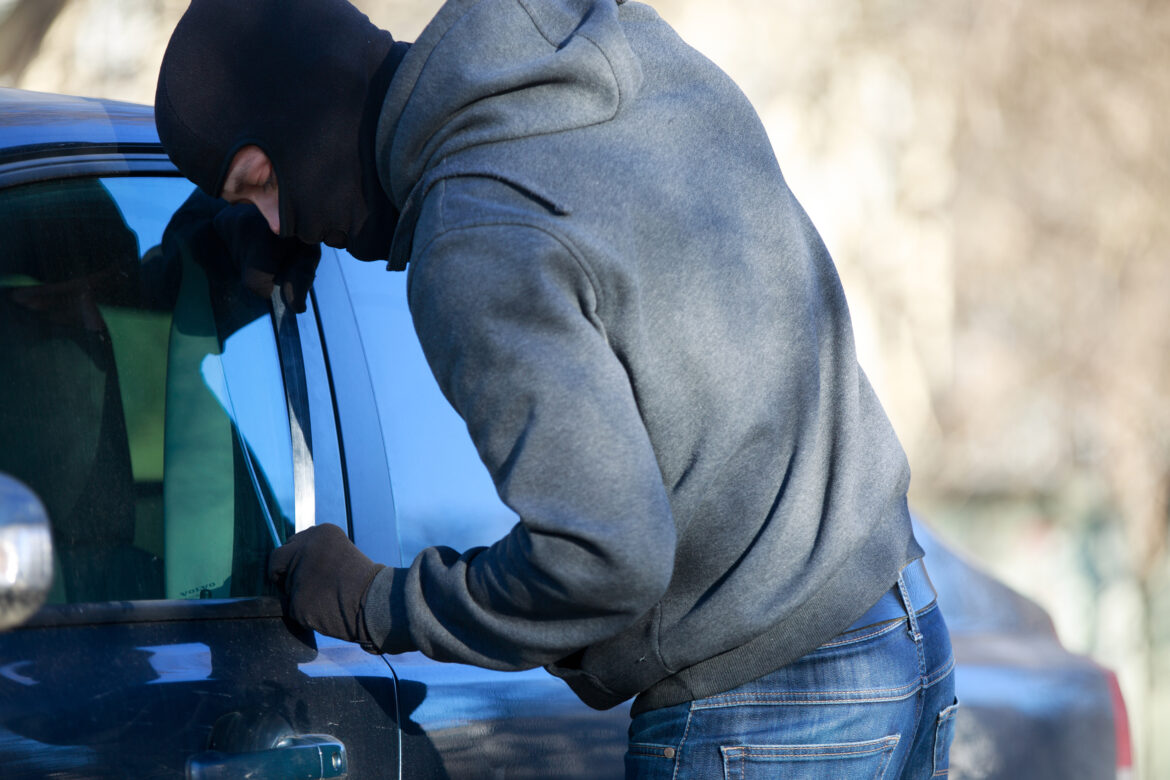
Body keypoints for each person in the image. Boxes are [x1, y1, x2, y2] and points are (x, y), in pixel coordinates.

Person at [154, 0, 957, 776]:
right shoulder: (605, 46)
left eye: (259, 181)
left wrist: (375, 600)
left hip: (763, 706)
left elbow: (602, 559)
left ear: (306, 109)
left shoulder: (473, 241)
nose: (276, 220)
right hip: (903, 630)